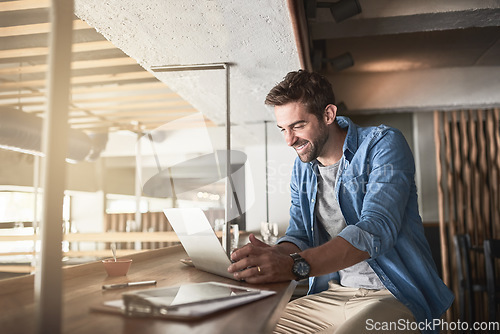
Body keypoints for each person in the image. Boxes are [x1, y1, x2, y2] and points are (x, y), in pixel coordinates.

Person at [228, 70, 453, 333]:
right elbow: (299, 234)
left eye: (298, 126)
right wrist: (266, 257)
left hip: (391, 294)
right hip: (332, 294)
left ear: (328, 114)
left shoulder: (383, 144)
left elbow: (376, 229)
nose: (289, 140)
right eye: (283, 129)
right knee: (249, 327)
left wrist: (292, 265)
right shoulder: (302, 168)